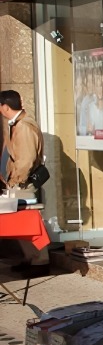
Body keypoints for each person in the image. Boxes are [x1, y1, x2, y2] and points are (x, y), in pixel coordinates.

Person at [0, 89, 48, 273]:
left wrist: (16, 180)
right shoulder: (16, 123)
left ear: (5, 107)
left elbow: (26, 159)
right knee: (20, 222)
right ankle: (31, 258)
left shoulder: (24, 126)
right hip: (16, 182)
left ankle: (40, 261)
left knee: (28, 220)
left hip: (22, 182)